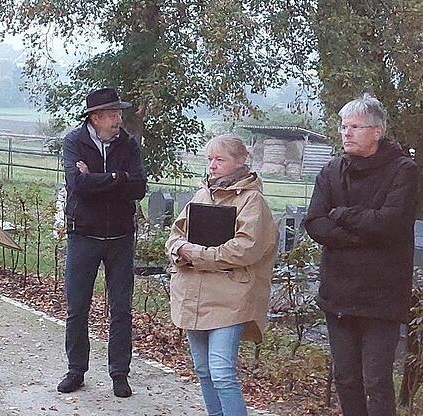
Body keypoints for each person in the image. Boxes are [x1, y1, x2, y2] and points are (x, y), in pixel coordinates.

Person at [304, 94, 417, 416]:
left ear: (377, 131)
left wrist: (341, 215)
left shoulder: (403, 171)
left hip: (382, 295)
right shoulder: (331, 170)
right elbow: (314, 222)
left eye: (355, 126)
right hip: (338, 290)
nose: (346, 133)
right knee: (346, 377)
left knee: (376, 381)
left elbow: (390, 224)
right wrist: (359, 230)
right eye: (343, 126)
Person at [165, 134, 277, 416]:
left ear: (241, 161)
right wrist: (179, 250)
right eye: (209, 160)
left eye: (220, 159)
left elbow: (246, 249)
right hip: (193, 294)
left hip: (231, 297)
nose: (212, 166)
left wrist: (198, 255)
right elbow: (176, 235)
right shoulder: (202, 194)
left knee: (222, 371)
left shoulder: (252, 201)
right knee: (203, 369)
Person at [58, 87, 147, 398]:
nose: (117, 120)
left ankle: (119, 373)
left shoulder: (128, 143)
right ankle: (76, 370)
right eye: (111, 114)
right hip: (83, 234)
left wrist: (105, 177)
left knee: (121, 309)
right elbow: (77, 185)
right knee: (77, 307)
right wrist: (116, 178)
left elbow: (139, 187)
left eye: (119, 113)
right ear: (94, 118)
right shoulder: (74, 141)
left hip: (121, 237)